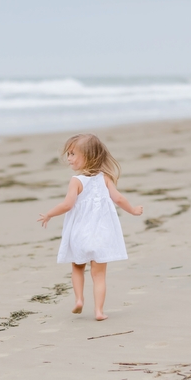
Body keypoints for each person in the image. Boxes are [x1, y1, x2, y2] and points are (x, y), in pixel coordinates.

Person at [38, 134, 143, 321]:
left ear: (88, 156)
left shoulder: (76, 181)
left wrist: (49, 214)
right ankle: (99, 312)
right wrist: (133, 210)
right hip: (102, 234)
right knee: (99, 275)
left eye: (72, 154)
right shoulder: (106, 178)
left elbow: (67, 204)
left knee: (78, 267)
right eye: (68, 154)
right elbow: (119, 199)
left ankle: (79, 299)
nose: (68, 158)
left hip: (80, 234)